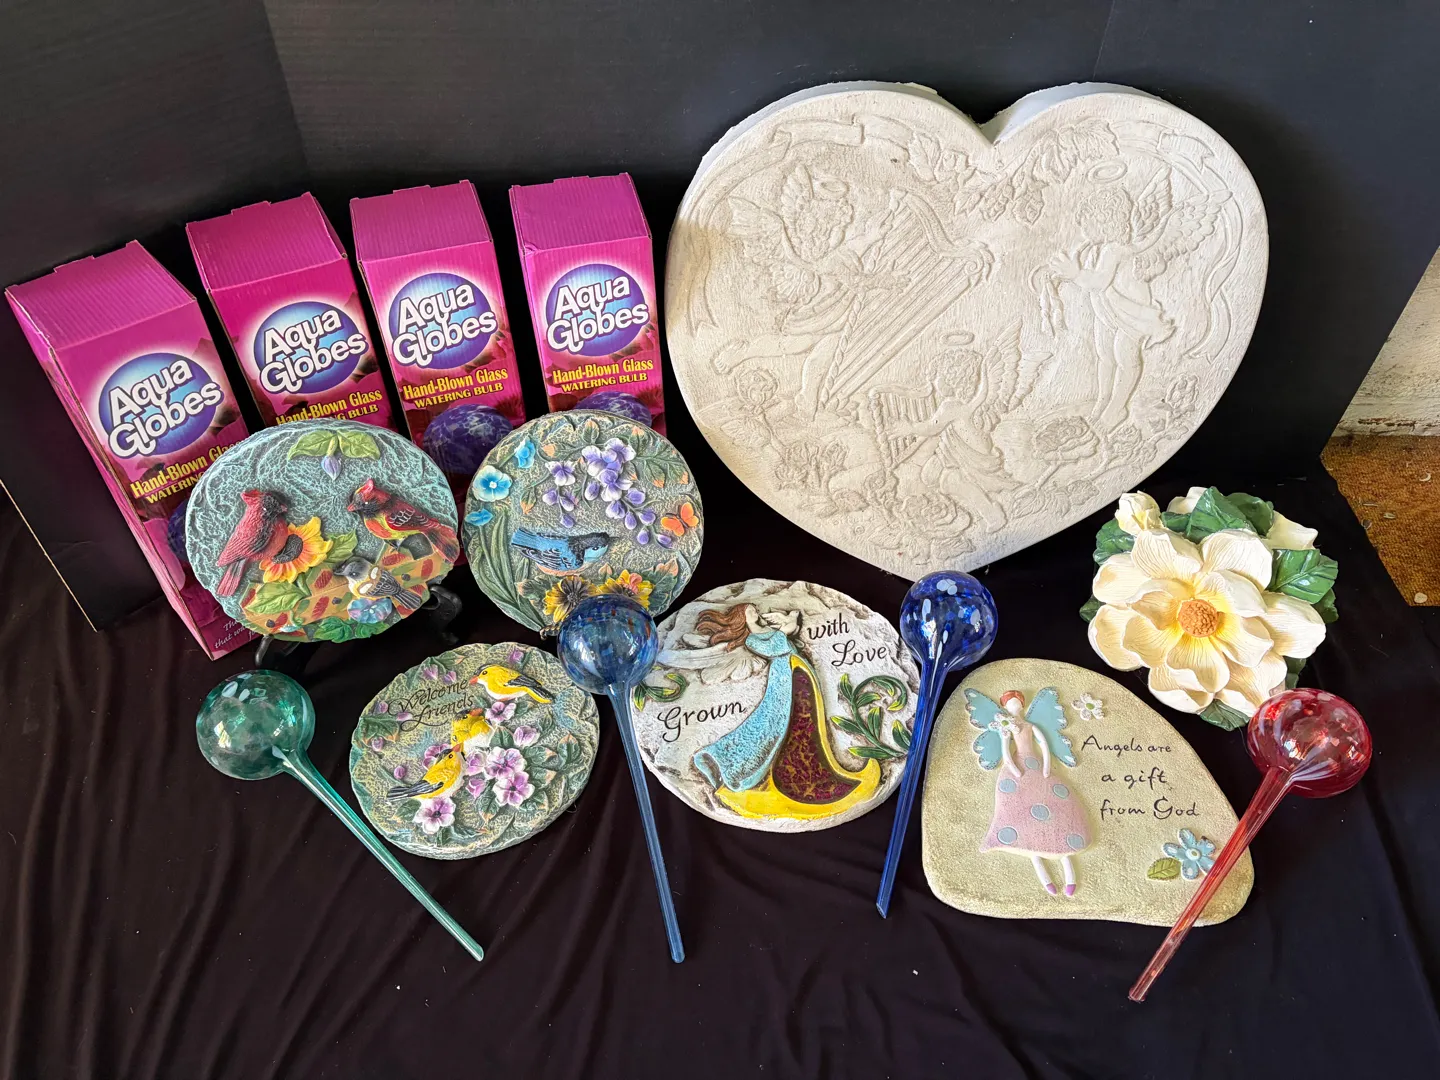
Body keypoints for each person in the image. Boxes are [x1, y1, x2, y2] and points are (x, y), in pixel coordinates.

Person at [688, 604, 879, 821]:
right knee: (780, 721)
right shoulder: (753, 640)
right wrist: (787, 626)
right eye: (750, 611)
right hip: (784, 679)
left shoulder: (767, 630)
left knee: (807, 717)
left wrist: (791, 620)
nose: (755, 612)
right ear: (741, 618)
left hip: (797, 670)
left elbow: (789, 631)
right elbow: (778, 645)